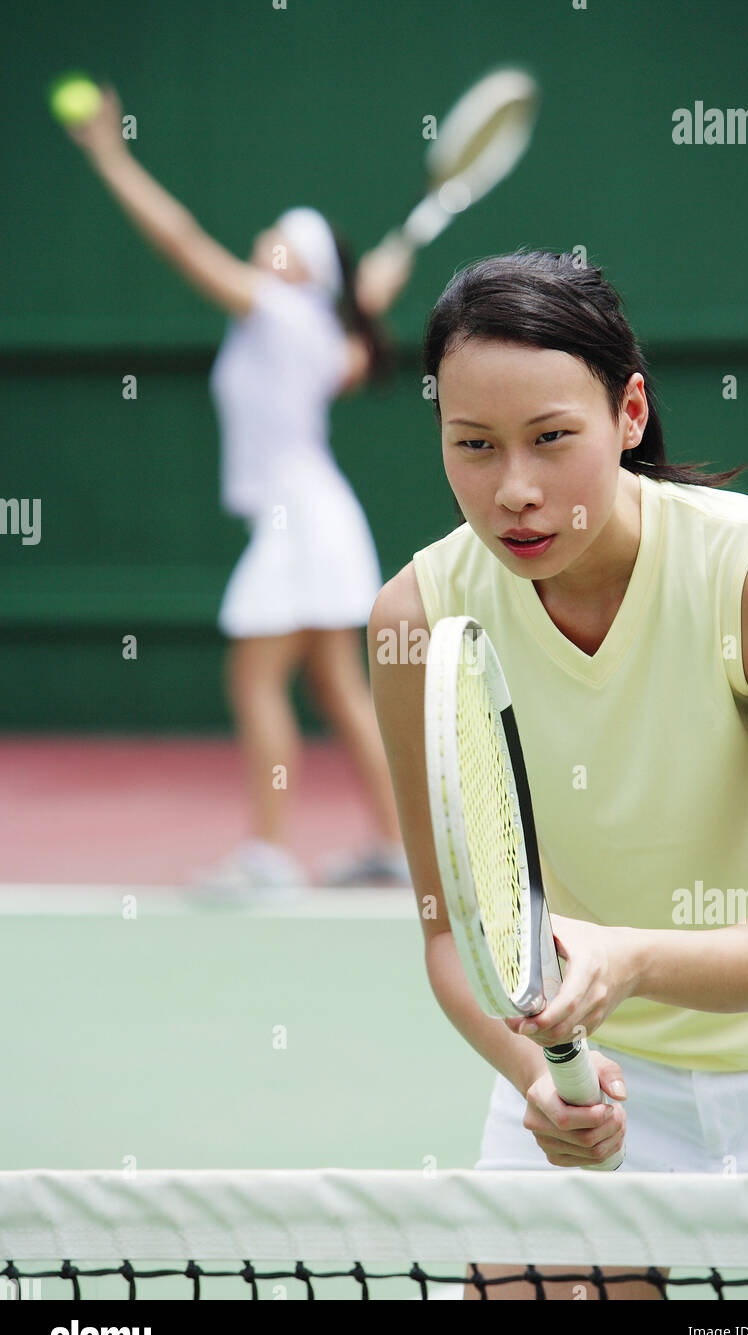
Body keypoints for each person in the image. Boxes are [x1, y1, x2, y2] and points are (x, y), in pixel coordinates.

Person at [368, 250, 748, 1299]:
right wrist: (547, 1087)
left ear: (629, 412)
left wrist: (621, 957)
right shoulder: (415, 620)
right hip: (600, 1082)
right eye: (473, 446)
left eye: (553, 438)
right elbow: (451, 934)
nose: (515, 489)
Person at [62, 85, 415, 894]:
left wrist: (112, 154)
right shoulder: (323, 330)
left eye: (283, 238)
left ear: (302, 268)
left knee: (255, 680)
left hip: (300, 521)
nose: (264, 240)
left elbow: (181, 242)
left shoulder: (283, 313)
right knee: (336, 686)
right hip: (320, 517)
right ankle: (397, 849)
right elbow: (360, 327)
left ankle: (266, 855)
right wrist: (368, 292)